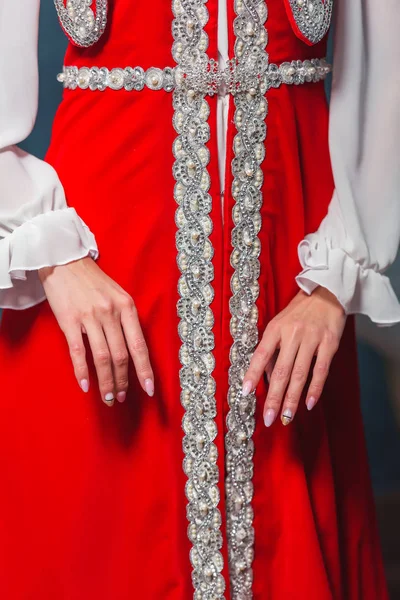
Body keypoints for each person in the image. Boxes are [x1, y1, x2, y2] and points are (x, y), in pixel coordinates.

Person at [0, 0, 399, 598]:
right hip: (94, 269)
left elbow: (384, 80)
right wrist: (56, 258)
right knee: (98, 538)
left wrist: (338, 278)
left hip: (293, 263)